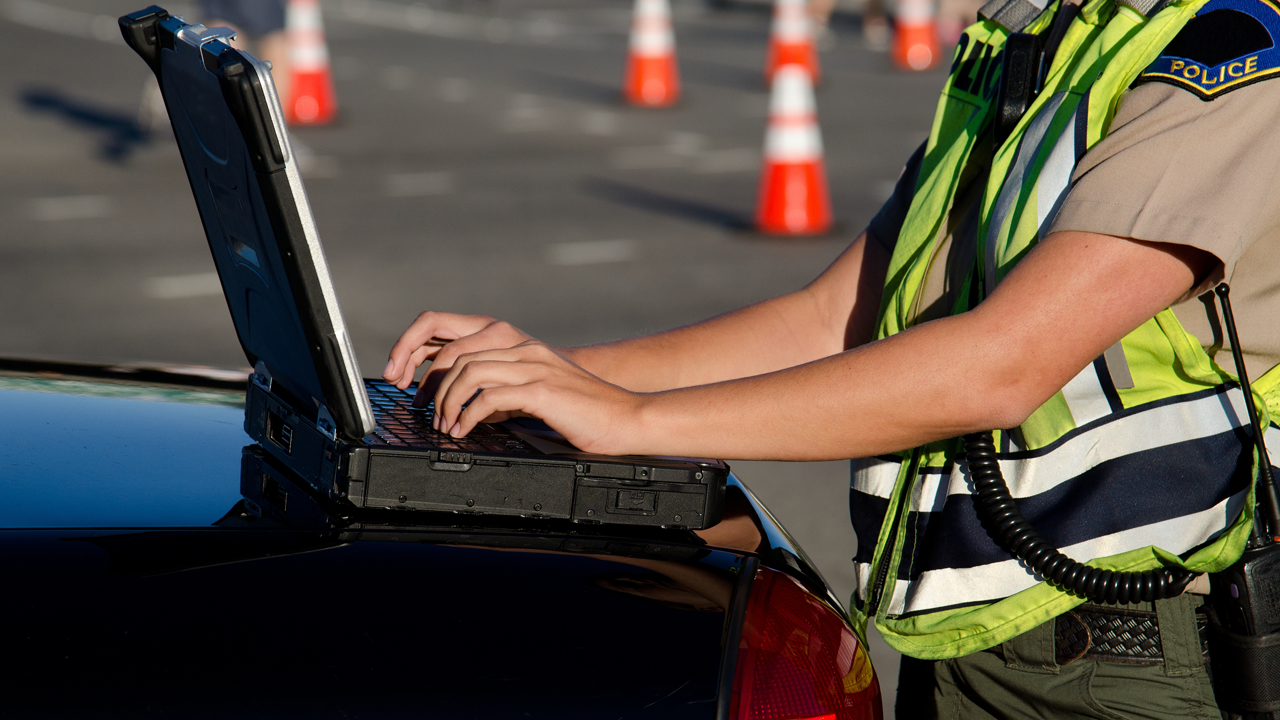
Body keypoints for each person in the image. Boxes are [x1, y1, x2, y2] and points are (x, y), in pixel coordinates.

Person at [383, 0, 1280, 714]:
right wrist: (562, 376)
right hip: (972, 640)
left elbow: (1002, 366)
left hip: (1134, 658)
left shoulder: (1232, 55)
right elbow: (831, 315)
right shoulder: (1043, 35)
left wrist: (634, 422)